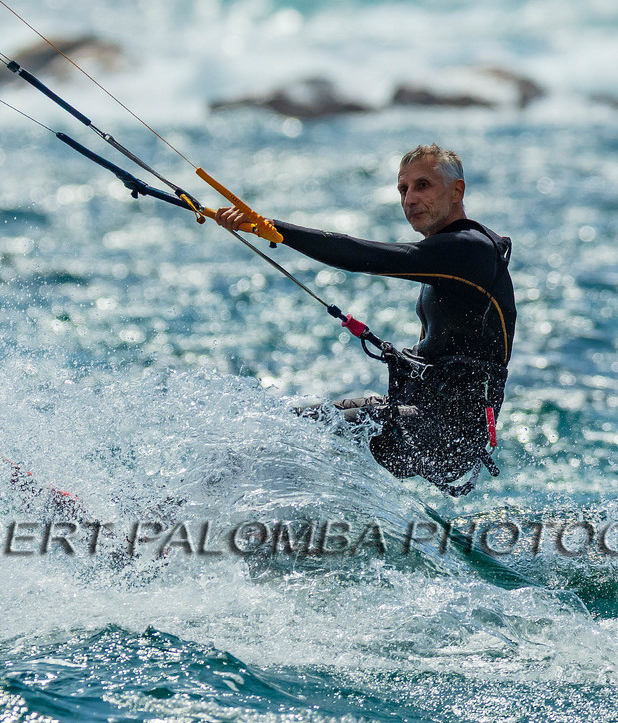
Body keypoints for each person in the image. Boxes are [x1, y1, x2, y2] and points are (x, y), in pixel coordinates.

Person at [214, 144, 515, 495]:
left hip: (443, 436)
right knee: (291, 426)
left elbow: (362, 254)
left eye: (422, 186)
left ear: (456, 191)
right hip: (419, 420)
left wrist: (272, 228)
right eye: (403, 189)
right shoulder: (449, 254)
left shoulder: (469, 249)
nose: (410, 199)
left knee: (297, 439)